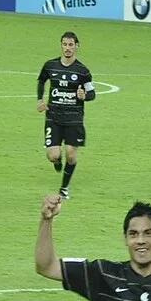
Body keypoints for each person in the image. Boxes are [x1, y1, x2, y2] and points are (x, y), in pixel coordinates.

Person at [36, 31, 95, 197]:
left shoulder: (83, 71)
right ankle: (57, 160)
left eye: (71, 45)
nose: (67, 48)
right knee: (53, 155)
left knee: (71, 155)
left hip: (74, 119)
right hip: (53, 117)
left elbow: (92, 93)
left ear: (77, 46)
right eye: (64, 44)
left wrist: (85, 96)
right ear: (61, 45)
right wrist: (40, 100)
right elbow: (41, 80)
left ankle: (64, 188)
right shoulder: (50, 65)